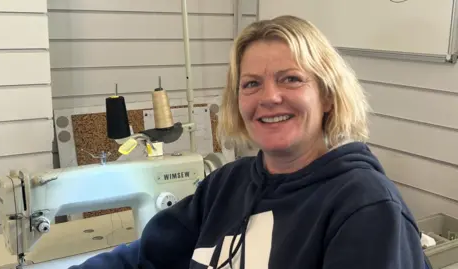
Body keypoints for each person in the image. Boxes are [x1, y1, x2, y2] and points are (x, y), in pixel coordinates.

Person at [70, 15, 426, 269]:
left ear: (328, 96)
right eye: (251, 83)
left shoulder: (366, 206)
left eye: (290, 79)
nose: (269, 97)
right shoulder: (227, 185)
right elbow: (145, 257)